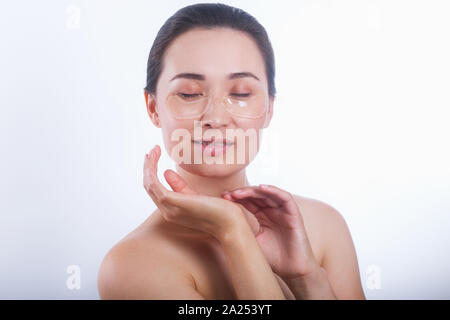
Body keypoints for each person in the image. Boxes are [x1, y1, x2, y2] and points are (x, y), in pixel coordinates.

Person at [97, 3, 366, 300]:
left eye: (240, 93)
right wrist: (233, 229)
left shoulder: (324, 225)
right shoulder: (131, 265)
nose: (216, 117)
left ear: (269, 108)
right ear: (153, 107)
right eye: (189, 94)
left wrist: (306, 276)